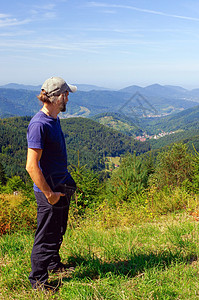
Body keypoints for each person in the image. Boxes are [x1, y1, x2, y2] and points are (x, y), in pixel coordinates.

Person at [26, 76, 77, 289]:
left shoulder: (53, 119)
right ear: (58, 97)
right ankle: (38, 282)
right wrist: (49, 195)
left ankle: (54, 264)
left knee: (58, 230)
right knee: (45, 236)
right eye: (66, 95)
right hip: (50, 190)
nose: (68, 99)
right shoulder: (39, 124)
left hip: (61, 184)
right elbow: (31, 166)